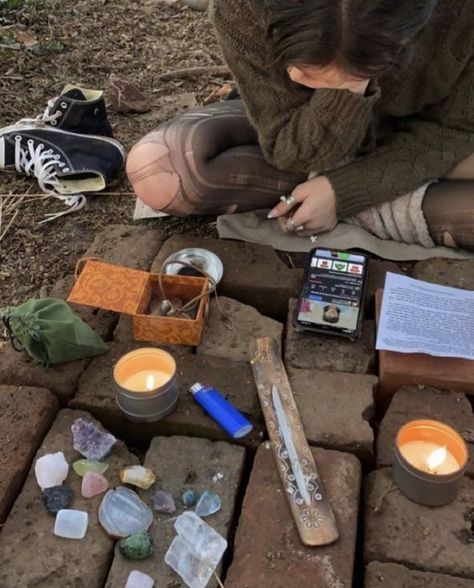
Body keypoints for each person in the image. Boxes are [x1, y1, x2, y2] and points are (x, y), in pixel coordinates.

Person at [126, 0, 474, 250]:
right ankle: (399, 207)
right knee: (159, 171)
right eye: (307, 73)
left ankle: (335, 202)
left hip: (430, 136)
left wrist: (345, 191)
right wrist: (340, 90)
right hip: (301, 128)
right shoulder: (244, 9)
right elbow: (290, 149)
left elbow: (458, 129)